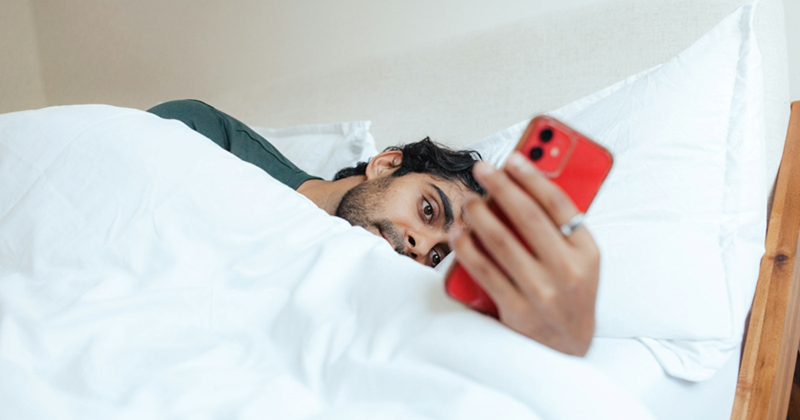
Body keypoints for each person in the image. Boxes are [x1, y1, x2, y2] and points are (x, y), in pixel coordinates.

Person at [148, 99, 600, 356]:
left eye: (437, 256)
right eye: (428, 210)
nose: (419, 246)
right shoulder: (209, 137)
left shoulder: (366, 302)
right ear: (385, 165)